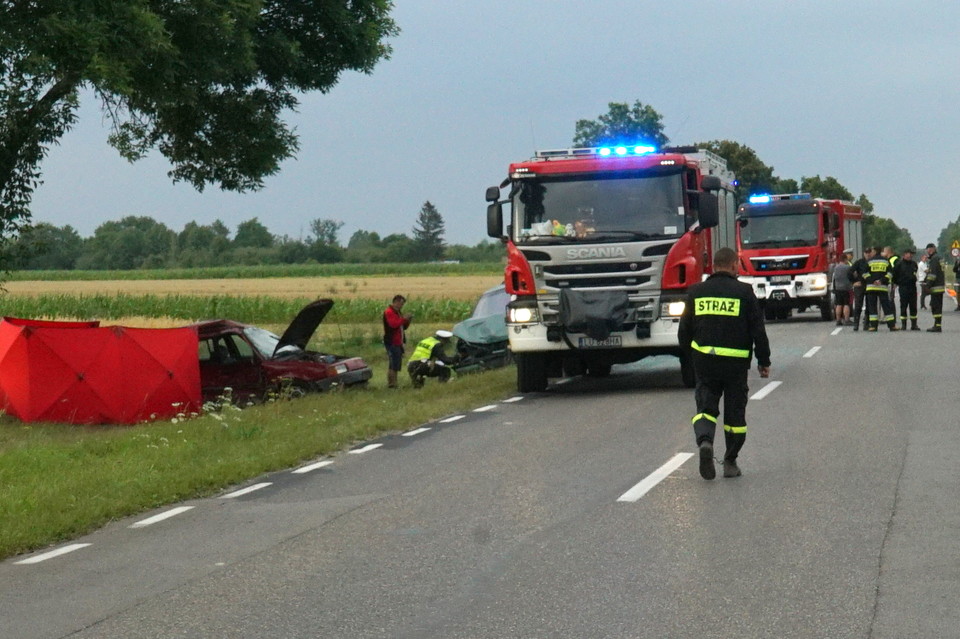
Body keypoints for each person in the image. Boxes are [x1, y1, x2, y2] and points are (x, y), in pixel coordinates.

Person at [679, 247, 771, 480]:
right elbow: (757, 329)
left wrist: (690, 359)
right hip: (736, 365)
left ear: (713, 266)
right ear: (733, 266)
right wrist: (763, 360)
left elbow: (684, 331)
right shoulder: (744, 292)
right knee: (735, 415)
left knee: (705, 408)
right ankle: (730, 462)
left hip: (705, 362)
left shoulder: (696, 292)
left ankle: (705, 442)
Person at [862, 245, 898, 332]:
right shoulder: (885, 261)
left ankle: (873, 326)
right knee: (886, 306)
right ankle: (892, 326)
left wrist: (872, 280)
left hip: (871, 287)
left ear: (874, 251)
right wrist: (881, 280)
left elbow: (864, 273)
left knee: (872, 307)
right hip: (882, 287)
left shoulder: (869, 261)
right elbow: (890, 273)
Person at [383, 294, 412, 388]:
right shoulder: (389, 312)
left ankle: (395, 383)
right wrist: (404, 319)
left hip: (398, 341)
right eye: (401, 303)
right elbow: (393, 324)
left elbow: (403, 327)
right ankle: (391, 384)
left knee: (396, 364)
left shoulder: (398, 312)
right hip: (391, 341)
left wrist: (408, 320)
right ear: (395, 302)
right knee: (393, 363)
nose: (401, 306)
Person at [891, 247, 920, 330]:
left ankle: (914, 325)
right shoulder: (899, 264)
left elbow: (915, 272)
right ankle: (904, 325)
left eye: (911, 254)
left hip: (912, 287)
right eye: (909, 254)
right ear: (904, 254)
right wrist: (896, 283)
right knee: (903, 306)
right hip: (903, 287)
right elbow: (894, 275)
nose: (911, 255)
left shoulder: (914, 264)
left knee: (913, 306)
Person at [849, 246, 874, 331]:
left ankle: (866, 324)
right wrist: (853, 282)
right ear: (864, 253)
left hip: (870, 285)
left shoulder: (873, 262)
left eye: (869, 252)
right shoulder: (859, 262)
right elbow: (850, 272)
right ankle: (856, 324)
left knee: (869, 305)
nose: (868, 254)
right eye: (866, 252)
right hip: (860, 285)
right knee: (858, 305)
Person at [923, 243, 945, 332]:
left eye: (928, 250)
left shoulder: (934, 259)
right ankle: (937, 324)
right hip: (940, 285)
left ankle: (937, 325)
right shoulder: (939, 258)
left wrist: (927, 285)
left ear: (931, 249)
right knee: (938, 306)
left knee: (935, 306)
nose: (927, 252)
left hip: (935, 287)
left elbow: (932, 274)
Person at [831, 251, 853, 326]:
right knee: (846, 304)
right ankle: (846, 319)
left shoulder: (835, 268)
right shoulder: (847, 267)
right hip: (846, 288)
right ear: (845, 259)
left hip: (837, 288)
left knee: (839, 304)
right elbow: (852, 276)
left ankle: (838, 320)